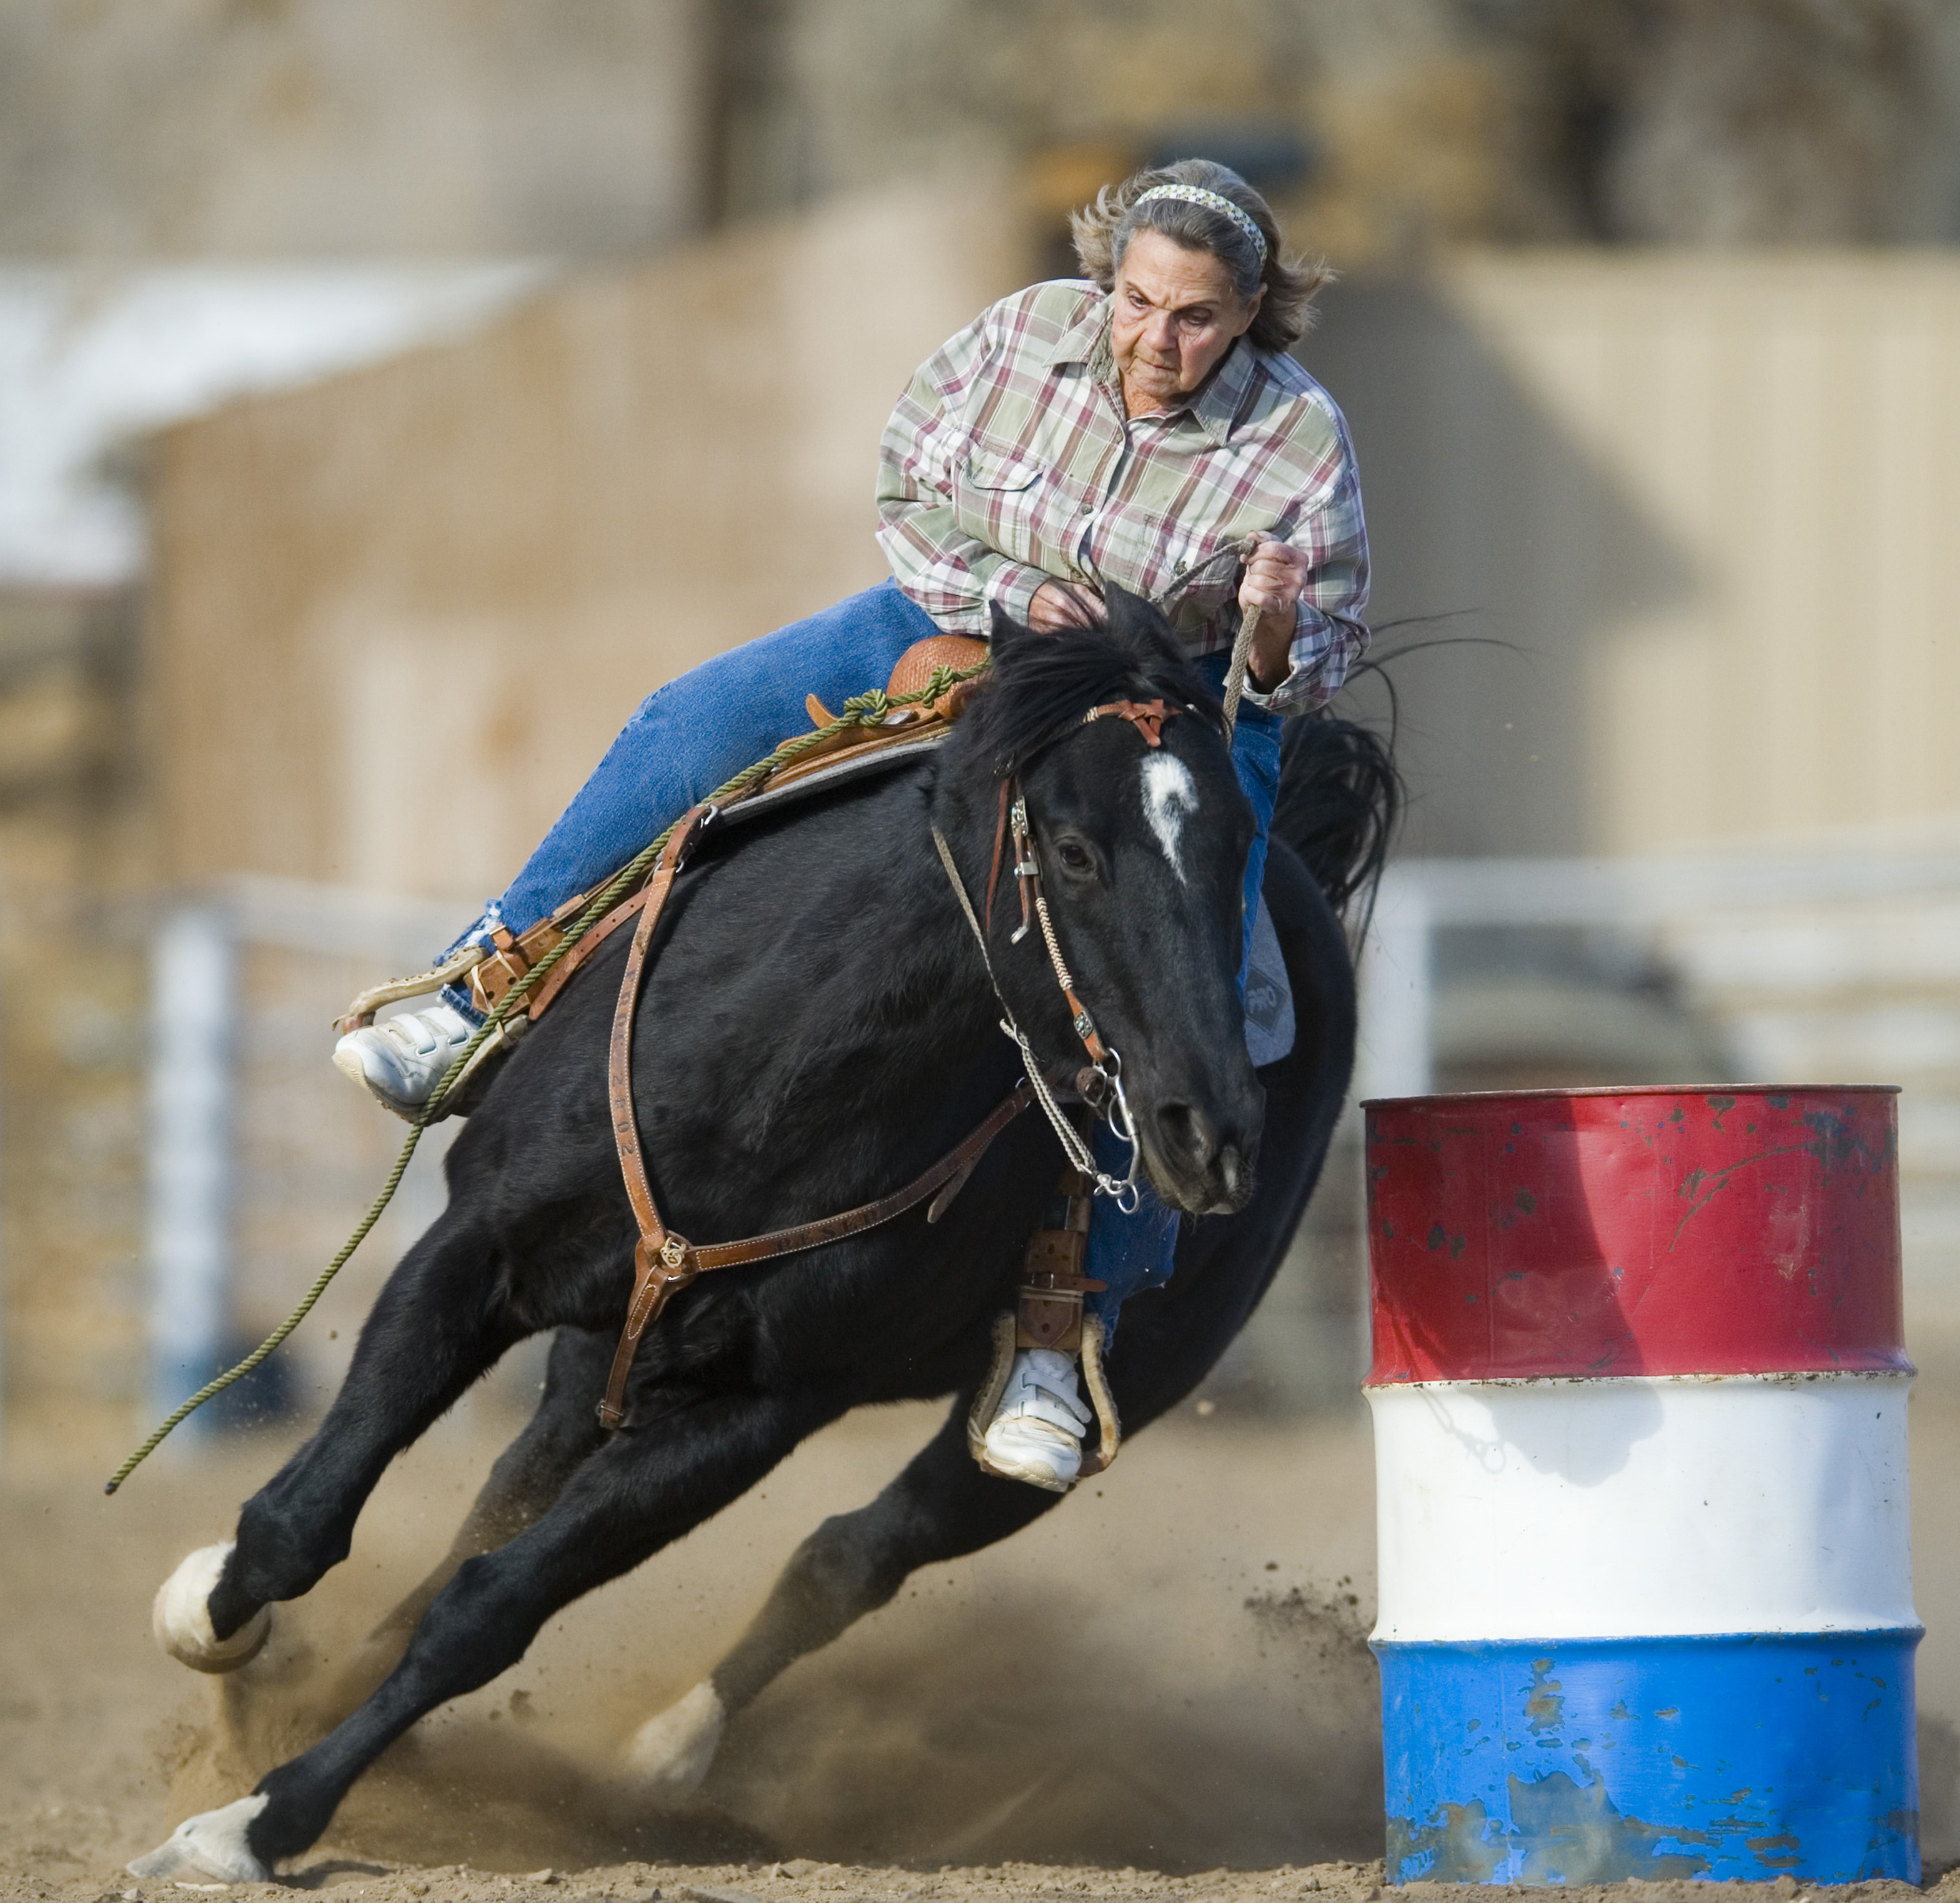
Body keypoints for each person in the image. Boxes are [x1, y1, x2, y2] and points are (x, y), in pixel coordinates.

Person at [332, 157, 1370, 1491]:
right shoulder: (1012, 340)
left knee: (1181, 974)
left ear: (1251, 317)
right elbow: (910, 493)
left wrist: (1275, 634)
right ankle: (491, 978)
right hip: (954, 625)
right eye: (1138, 300)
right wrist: (1010, 595)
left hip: (1166, 711)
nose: (1155, 340)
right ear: (1107, 276)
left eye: (1195, 318)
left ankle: (1062, 1322)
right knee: (691, 723)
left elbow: (1319, 653)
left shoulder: (1298, 442)